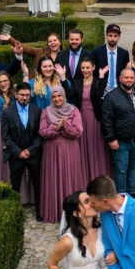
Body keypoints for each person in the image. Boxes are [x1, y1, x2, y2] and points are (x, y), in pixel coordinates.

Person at [39, 86, 87, 224]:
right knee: (53, 177)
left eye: (59, 96)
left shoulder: (73, 110)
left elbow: (78, 132)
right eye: (54, 97)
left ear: (64, 96)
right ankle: (54, 211)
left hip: (70, 150)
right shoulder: (46, 112)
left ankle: (73, 211)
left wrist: (65, 126)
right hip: (51, 151)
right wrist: (56, 127)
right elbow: (43, 132)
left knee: (70, 177)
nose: (57, 99)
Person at [101, 68, 135, 196]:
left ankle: (131, 192)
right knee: (121, 170)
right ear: (120, 78)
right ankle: (121, 195)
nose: (129, 80)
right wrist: (111, 138)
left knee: (133, 168)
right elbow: (106, 120)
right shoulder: (111, 96)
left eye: (131, 77)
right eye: (126, 77)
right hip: (120, 141)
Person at [2, 82, 43, 221]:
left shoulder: (37, 111)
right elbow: (5, 136)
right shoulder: (7, 112)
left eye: (27, 95)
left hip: (33, 154)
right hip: (16, 155)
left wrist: (31, 150)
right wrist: (18, 152)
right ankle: (15, 212)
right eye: (21, 95)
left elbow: (40, 134)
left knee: (37, 183)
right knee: (15, 184)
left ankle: (39, 209)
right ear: (16, 95)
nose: (24, 98)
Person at [71, 56, 112, 182]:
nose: (85, 70)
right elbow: (69, 94)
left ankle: (99, 178)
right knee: (82, 147)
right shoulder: (77, 82)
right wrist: (62, 77)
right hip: (80, 118)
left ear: (93, 67)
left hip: (95, 119)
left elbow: (98, 94)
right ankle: (84, 179)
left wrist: (101, 76)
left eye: (88, 67)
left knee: (96, 147)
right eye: (83, 67)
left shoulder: (100, 81)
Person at [91, 23, 131, 95]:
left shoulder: (124, 53)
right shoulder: (96, 52)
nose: (112, 39)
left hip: (119, 90)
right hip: (102, 90)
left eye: (115, 36)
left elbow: (126, 71)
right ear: (106, 35)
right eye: (110, 36)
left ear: (119, 37)